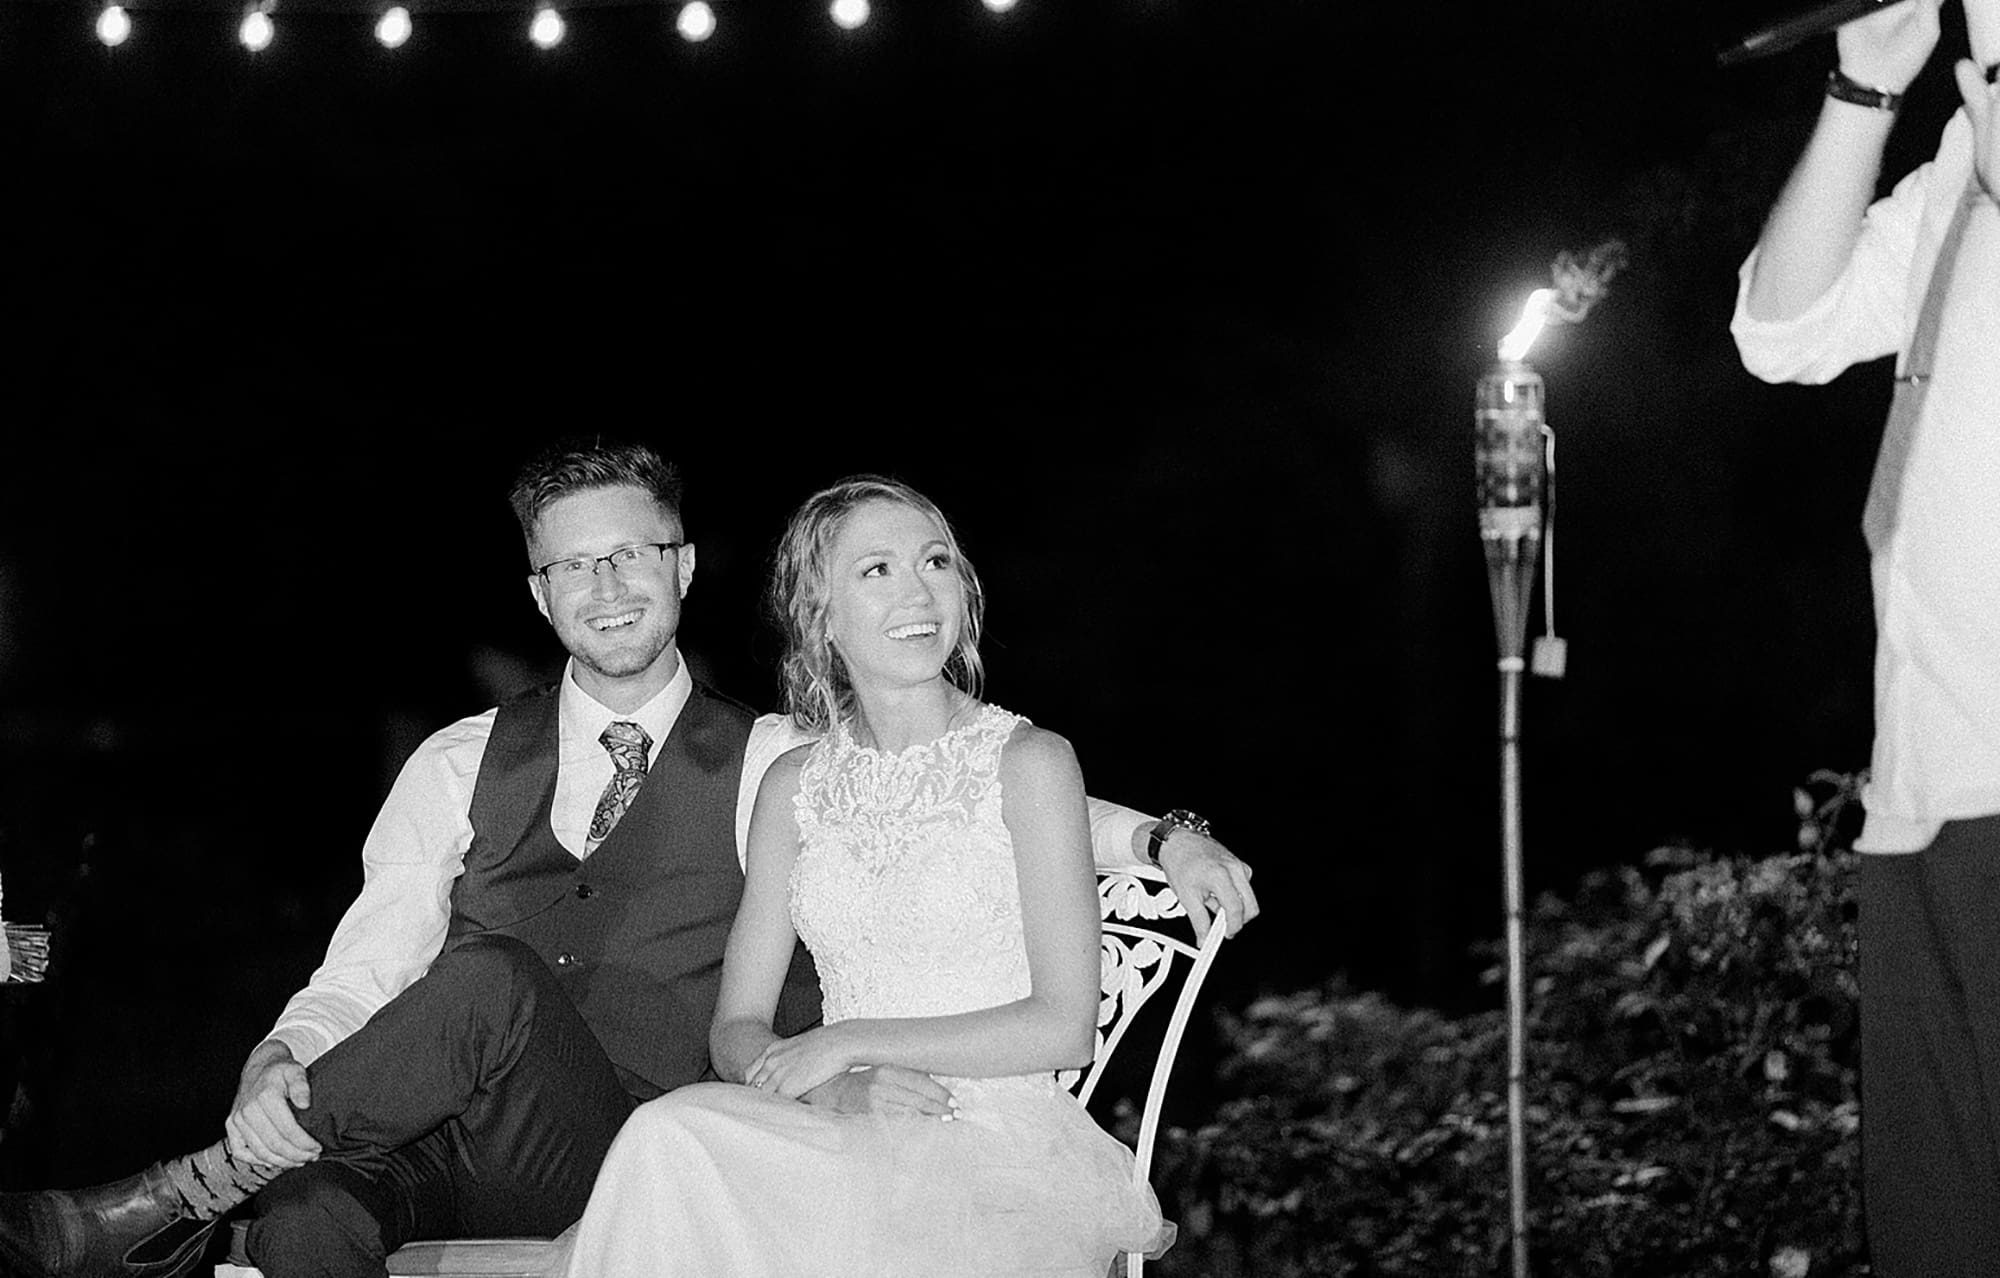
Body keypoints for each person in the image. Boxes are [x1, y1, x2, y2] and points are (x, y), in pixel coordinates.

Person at [0, 440, 1260, 1278]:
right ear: (540, 593)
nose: (607, 583)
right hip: (439, 1131)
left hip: (631, 1131)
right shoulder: (453, 759)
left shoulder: (770, 757)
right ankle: (240, 1179)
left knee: (490, 977)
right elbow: (366, 959)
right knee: (304, 1215)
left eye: (633, 554)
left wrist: (1156, 833)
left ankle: (180, 1187)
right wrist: (284, 1048)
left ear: (684, 569)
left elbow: (962, 786)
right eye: (574, 563)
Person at [557, 475, 1171, 1277]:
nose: (917, 590)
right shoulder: (794, 787)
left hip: (984, 1140)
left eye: (936, 562)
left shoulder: (1031, 762)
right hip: (839, 1126)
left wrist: (845, 1043)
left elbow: (1064, 1026)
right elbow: (736, 1028)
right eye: (876, 570)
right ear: (821, 617)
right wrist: (832, 1085)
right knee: (668, 1138)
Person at [1730, 0, 2000, 1273]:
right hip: (1929, 800)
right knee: (1941, 1239)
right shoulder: (1965, 160)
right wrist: (1864, 88)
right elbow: (1783, 328)